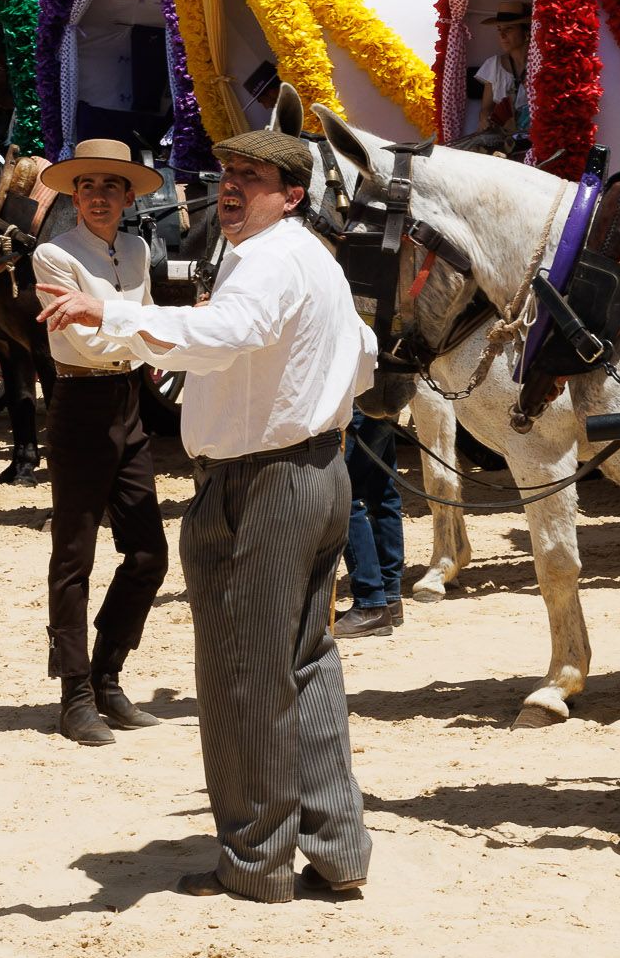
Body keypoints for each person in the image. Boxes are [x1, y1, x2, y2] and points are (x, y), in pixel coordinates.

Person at [36, 122, 377, 904]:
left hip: (264, 481)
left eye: (252, 177)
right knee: (308, 661)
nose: (230, 186)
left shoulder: (265, 259)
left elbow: (227, 335)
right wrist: (314, 406)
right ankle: (336, 846)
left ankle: (258, 861)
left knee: (244, 671)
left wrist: (109, 317)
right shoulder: (311, 259)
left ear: (290, 194)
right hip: (316, 469)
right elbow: (361, 352)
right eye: (227, 171)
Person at [29, 139, 171, 744]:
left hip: (129, 403)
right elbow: (91, 345)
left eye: (110, 186)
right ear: (73, 195)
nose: (96, 197)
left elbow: (131, 321)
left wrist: (136, 330)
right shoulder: (53, 256)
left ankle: (107, 673)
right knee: (75, 556)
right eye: (86, 187)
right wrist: (152, 336)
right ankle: (76, 693)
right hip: (81, 403)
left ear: (129, 195)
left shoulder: (138, 248)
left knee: (149, 554)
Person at [335, 409, 406, 638]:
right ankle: (389, 598)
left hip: (360, 402)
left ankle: (371, 604)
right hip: (384, 396)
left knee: (346, 495)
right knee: (382, 491)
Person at [473, 2, 531, 143]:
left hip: (533, 139)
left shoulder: (540, 66)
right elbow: (486, 109)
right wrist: (485, 120)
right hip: (502, 140)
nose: (502, 35)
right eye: (499, 30)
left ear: (526, 32)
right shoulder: (494, 65)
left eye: (509, 29)